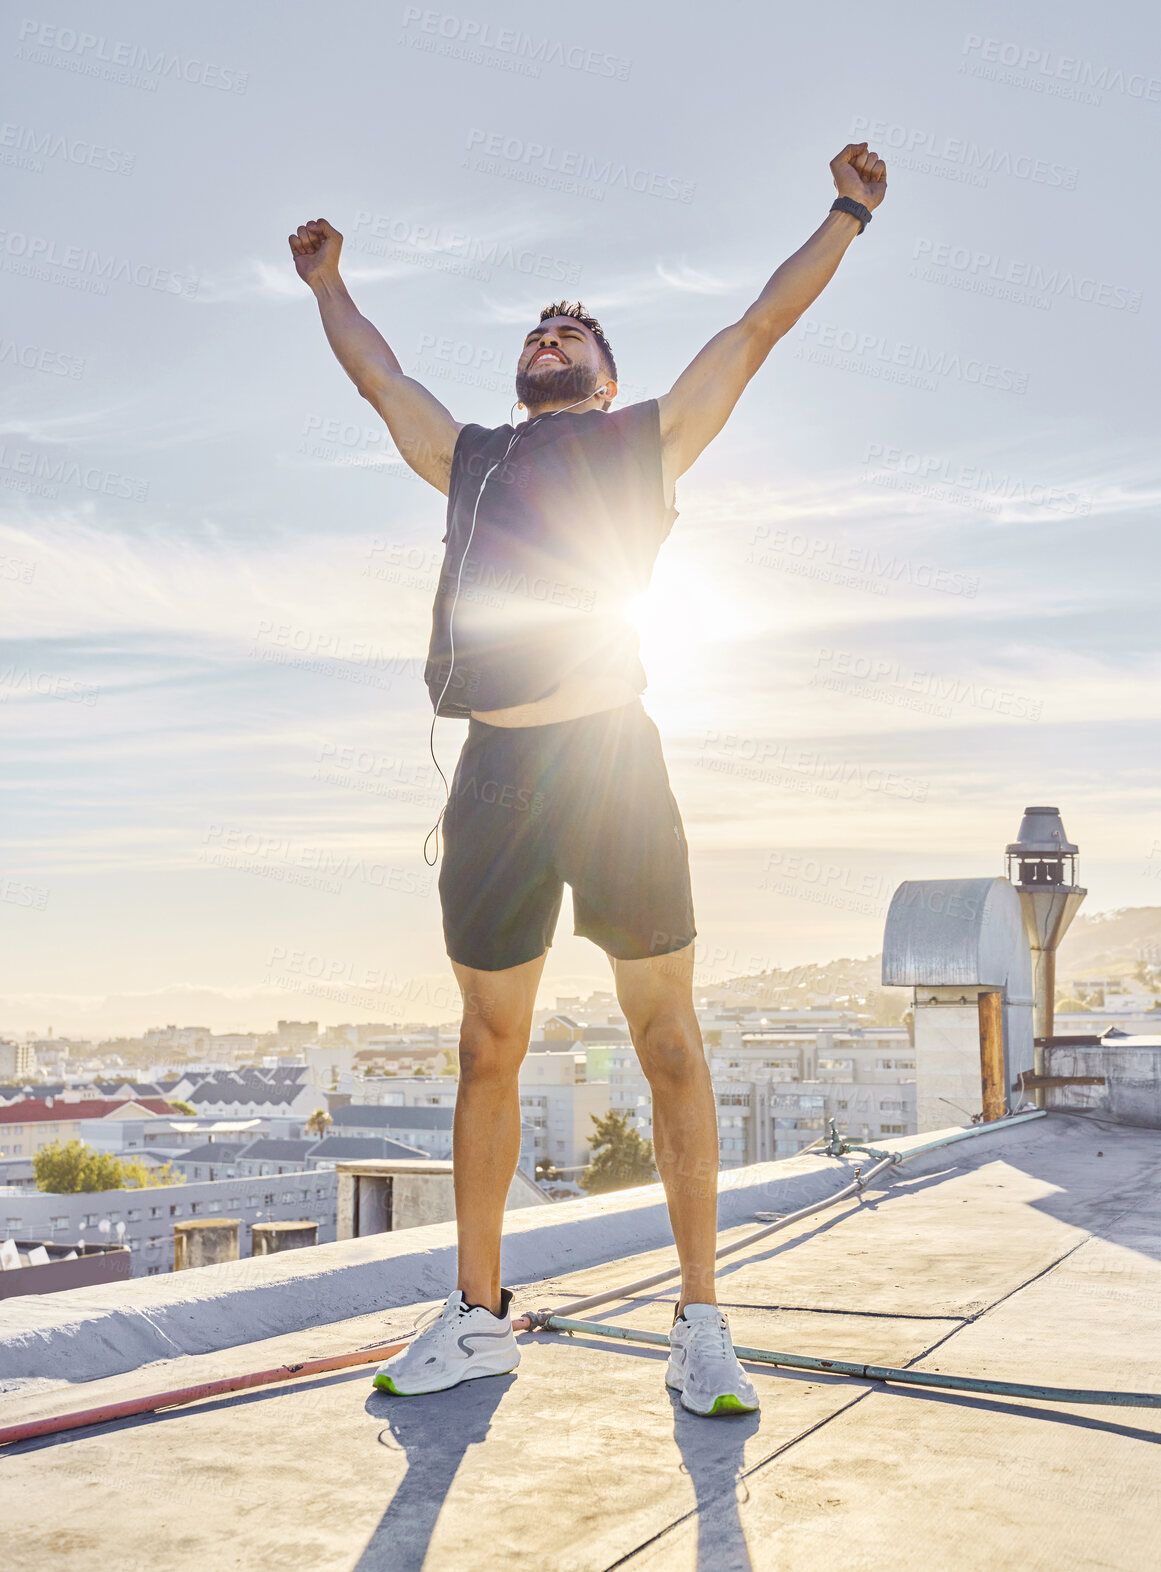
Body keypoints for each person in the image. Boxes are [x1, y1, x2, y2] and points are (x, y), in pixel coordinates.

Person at [289, 142, 887, 1415]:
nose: (550, 335)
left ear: (604, 374)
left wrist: (845, 213)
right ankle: (477, 1313)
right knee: (486, 1045)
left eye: (573, 330)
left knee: (666, 1037)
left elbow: (759, 325)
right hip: (497, 772)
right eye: (539, 327)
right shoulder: (472, 457)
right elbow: (376, 374)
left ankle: (703, 1320)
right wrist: (328, 283)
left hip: (613, 758)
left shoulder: (644, 440)